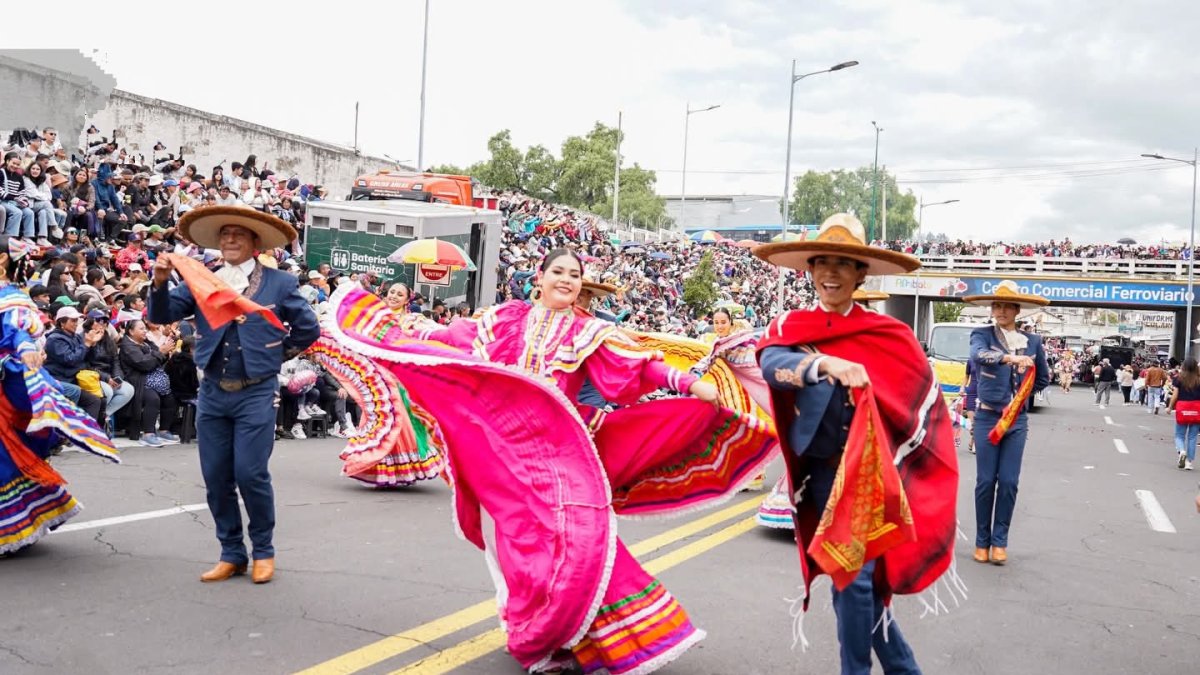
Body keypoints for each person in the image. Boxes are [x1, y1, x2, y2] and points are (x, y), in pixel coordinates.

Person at [319, 247, 773, 674]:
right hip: (501, 451)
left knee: (575, 537)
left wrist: (688, 384)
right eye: (558, 272)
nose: (567, 280)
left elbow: (636, 366)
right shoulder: (505, 318)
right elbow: (453, 338)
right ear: (539, 277)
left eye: (574, 275)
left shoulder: (587, 332)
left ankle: (564, 632)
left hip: (558, 450)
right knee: (515, 541)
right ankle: (540, 628)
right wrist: (405, 331)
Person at [752, 213, 958, 674]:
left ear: (861, 273)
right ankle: (904, 668)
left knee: (855, 581)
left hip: (872, 474)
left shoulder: (890, 335)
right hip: (823, 475)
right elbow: (772, 366)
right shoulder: (791, 326)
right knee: (854, 583)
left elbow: (922, 406)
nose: (831, 272)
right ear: (810, 270)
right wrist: (824, 364)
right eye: (822, 262)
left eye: (843, 263)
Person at [148, 206, 319, 584]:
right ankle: (231, 553)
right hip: (212, 391)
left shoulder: (280, 282)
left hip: (256, 393)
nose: (230, 240)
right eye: (224, 234)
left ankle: (264, 551)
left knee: (250, 473)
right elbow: (161, 315)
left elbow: (308, 328)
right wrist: (159, 283)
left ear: (255, 242)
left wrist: (276, 353)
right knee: (215, 476)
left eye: (238, 234)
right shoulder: (203, 278)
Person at [0, 234, 118, 555]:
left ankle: (14, 529)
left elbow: (16, 332)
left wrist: (24, 348)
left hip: (9, 384)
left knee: (7, 457)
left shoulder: (10, 297)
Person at [963, 280, 1051, 565]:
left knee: (1010, 482)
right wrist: (1008, 358)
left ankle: (1000, 542)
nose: (1000, 311)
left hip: (1017, 420)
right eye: (996, 306)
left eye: (1006, 306)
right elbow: (978, 355)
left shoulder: (1033, 342)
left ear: (1017, 310)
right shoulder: (982, 334)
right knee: (986, 481)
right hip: (987, 418)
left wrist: (1021, 396)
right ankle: (982, 541)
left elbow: (1043, 378)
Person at [1167, 357, 1200, 471]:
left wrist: (1170, 407)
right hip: (1197, 409)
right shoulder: (1199, 379)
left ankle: (1181, 451)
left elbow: (1175, 395)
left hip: (1182, 409)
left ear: (1184, 366)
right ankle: (1189, 462)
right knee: (1192, 437)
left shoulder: (1178, 379)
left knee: (1179, 435)